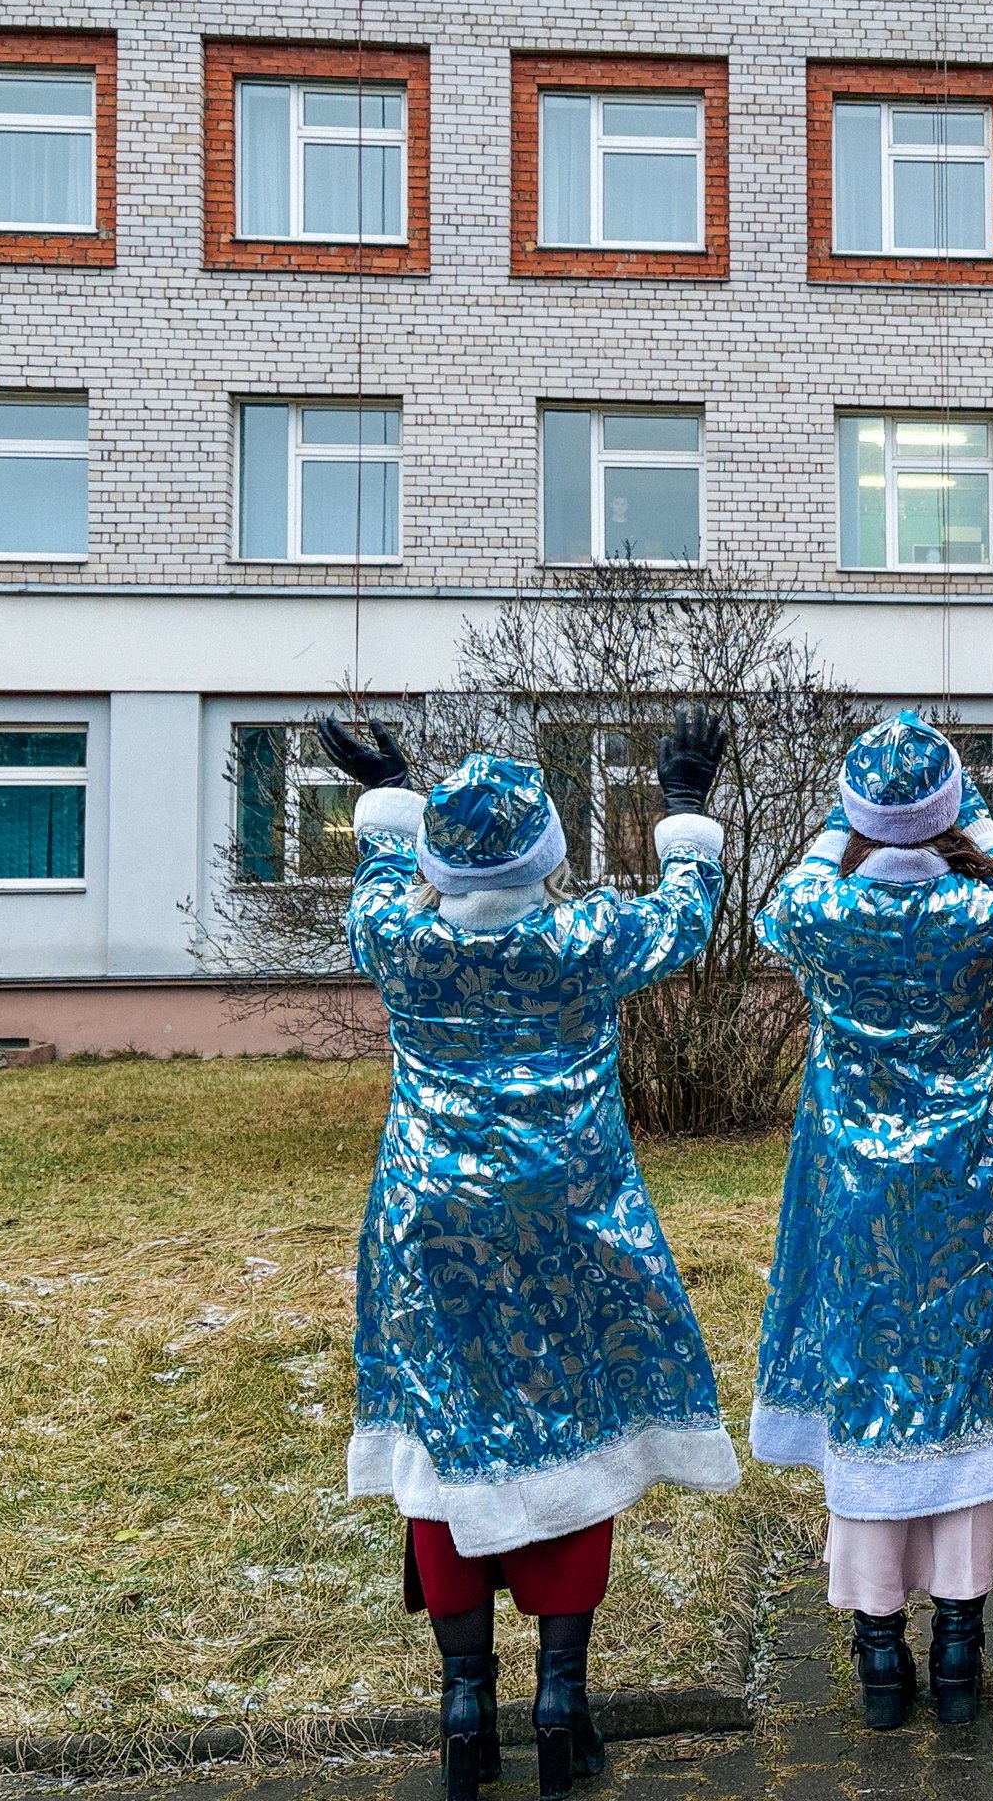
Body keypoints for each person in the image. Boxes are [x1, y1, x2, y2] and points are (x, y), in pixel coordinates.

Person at [318, 711, 740, 1800]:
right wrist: (682, 802)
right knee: (572, 1435)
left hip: (431, 1224)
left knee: (443, 1444)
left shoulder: (398, 940)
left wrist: (389, 790)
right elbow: (686, 913)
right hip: (567, 1220)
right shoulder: (585, 939)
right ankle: (561, 1703)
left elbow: (378, 872)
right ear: (545, 850)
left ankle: (464, 1711)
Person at [751, 712, 993, 1731]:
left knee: (868, 1389)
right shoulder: (985, 914)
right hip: (971, 1194)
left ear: (856, 818)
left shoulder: (817, 913)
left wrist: (850, 817)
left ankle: (876, 1656)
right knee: (963, 1387)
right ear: (948, 813)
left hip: (854, 1199)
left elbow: (794, 888)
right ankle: (957, 1648)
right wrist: (965, 809)